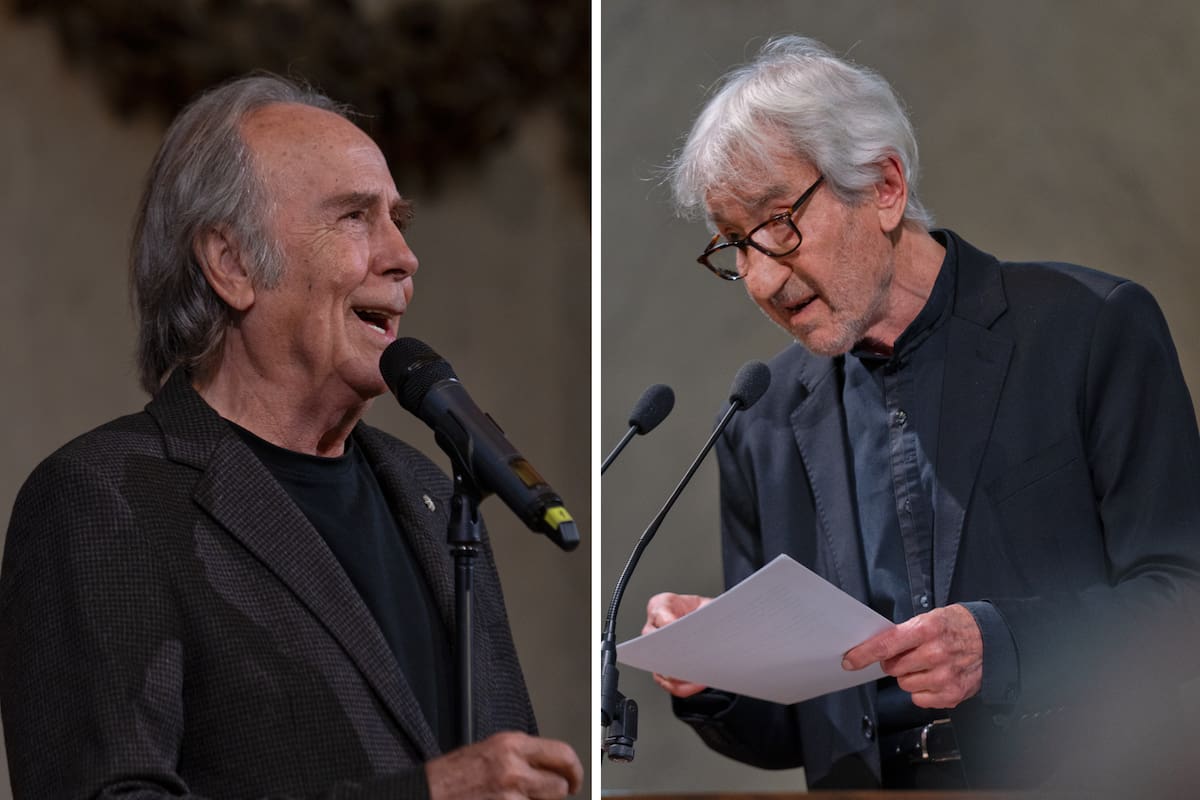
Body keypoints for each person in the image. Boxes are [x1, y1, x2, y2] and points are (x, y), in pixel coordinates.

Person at [641, 36, 1200, 790]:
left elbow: (1182, 601)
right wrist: (710, 671)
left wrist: (1002, 647)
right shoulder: (760, 421)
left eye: (779, 223)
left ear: (884, 186)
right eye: (736, 244)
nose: (764, 278)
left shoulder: (1091, 330)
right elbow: (788, 729)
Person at [0, 75, 582, 799]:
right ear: (232, 264)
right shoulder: (106, 499)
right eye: (355, 218)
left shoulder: (434, 496)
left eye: (400, 219)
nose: (404, 257)